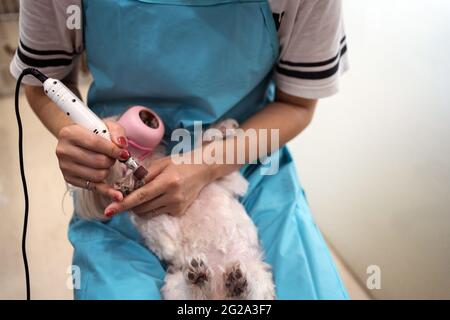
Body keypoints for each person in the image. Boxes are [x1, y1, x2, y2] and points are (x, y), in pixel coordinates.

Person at [11, 0, 349, 299]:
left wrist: (205, 165)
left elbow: (298, 105)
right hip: (121, 177)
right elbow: (45, 83)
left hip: (247, 158)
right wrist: (80, 137)